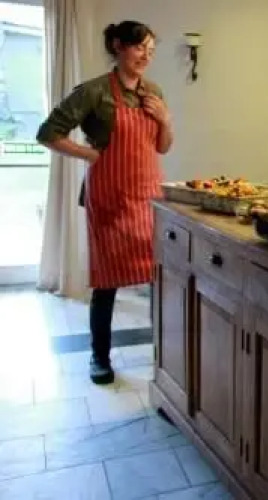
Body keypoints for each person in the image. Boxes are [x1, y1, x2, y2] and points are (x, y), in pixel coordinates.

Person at [37, 21, 173, 384]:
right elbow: (47, 133)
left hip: (148, 198)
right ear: (118, 46)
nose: (146, 56)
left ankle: (165, 355)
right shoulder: (94, 92)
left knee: (158, 278)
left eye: (151, 50)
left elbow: (162, 146)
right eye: (139, 47)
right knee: (106, 281)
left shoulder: (154, 92)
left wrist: (166, 119)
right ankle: (99, 357)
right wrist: (88, 154)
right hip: (110, 199)